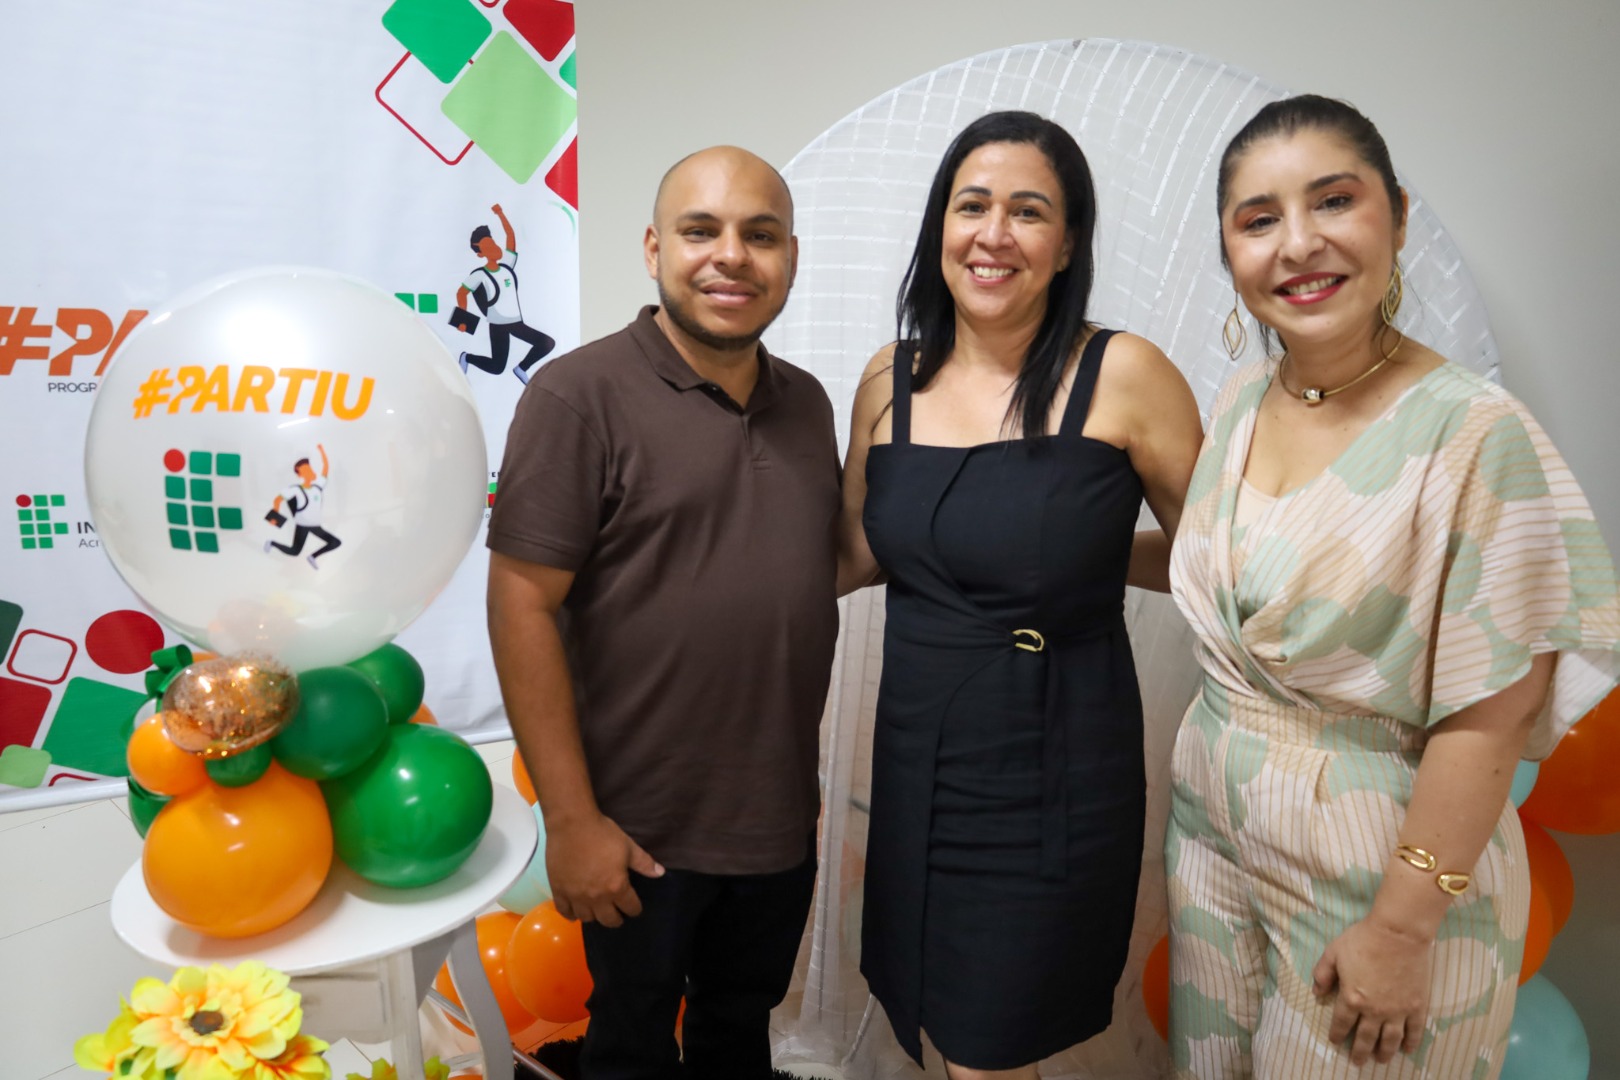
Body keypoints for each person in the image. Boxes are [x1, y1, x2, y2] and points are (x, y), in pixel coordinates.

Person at [1165, 95, 1620, 1078]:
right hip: (1211, 834)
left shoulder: (1475, 433)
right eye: (1259, 219)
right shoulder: (1241, 399)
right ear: (1229, 251)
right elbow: (1245, 578)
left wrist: (1402, 930)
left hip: (1381, 869)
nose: (1298, 243)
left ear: (1398, 216)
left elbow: (1496, 711)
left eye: (1334, 201)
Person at [838, 111, 1204, 1076]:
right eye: (972, 206)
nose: (993, 234)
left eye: (1028, 211)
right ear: (940, 226)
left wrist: (1077, 559)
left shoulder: (1124, 373)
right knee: (943, 1024)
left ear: (1069, 242)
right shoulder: (888, 379)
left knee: (992, 1040)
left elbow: (1214, 560)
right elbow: (854, 554)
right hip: (917, 750)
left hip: (1052, 761)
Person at [486, 146, 839, 1079]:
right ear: (654, 249)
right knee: (630, 1050)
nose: (732, 256)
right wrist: (572, 822)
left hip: (773, 820)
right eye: (701, 230)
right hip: (634, 831)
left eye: (760, 235)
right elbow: (520, 603)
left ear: (790, 257)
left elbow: (798, 567)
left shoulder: (808, 404)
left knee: (739, 1037)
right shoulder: (577, 395)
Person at [454, 202, 556, 384]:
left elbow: (510, 236)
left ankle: (521, 368)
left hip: (515, 321)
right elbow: (461, 293)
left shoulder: (507, 266)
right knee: (497, 368)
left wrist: (500, 214)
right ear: (480, 254)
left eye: (493, 242)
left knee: (547, 343)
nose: (494, 247)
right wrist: (463, 321)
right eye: (487, 246)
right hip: (498, 324)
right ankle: (467, 357)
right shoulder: (479, 275)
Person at [263, 443, 340, 569]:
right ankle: (272, 543)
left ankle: (313, 557)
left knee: (335, 542)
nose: (311, 471)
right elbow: (277, 500)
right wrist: (274, 517)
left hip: (315, 525)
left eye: (310, 468)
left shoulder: (318, 486)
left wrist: (321, 451)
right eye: (306, 470)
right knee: (294, 551)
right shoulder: (295, 490)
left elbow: (326, 467)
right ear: (300, 475)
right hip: (302, 525)